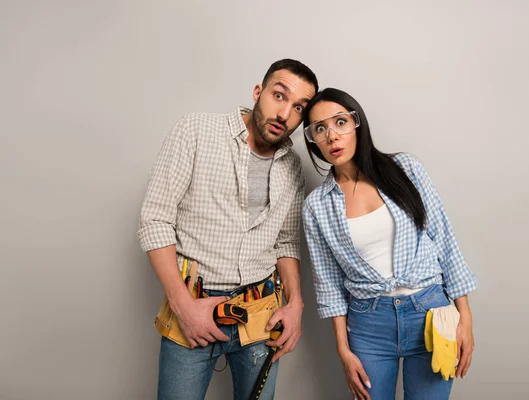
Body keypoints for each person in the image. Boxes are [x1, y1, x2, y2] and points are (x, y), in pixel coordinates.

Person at [137, 59, 318, 400]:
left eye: (298, 108)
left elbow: (287, 242)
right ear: (257, 92)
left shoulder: (292, 166)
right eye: (279, 96)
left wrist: (296, 305)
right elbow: (155, 220)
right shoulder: (195, 131)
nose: (284, 114)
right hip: (191, 309)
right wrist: (183, 307)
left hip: (261, 318)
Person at [302, 88, 476, 400]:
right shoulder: (316, 206)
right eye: (319, 128)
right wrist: (343, 349)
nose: (331, 136)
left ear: (357, 124)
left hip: (431, 313)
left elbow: (444, 239)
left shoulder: (405, 168)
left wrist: (466, 318)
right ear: (312, 139)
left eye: (340, 122)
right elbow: (328, 285)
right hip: (369, 324)